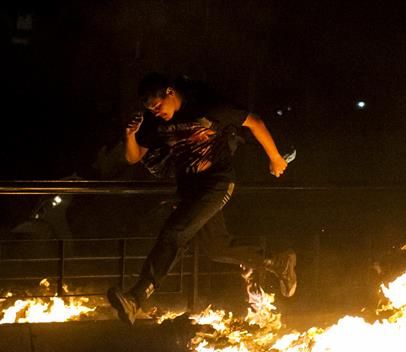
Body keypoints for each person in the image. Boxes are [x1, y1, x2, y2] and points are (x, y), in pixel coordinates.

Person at [107, 72, 296, 325]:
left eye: (158, 105)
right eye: (151, 109)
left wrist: (275, 158)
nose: (156, 112)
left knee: (174, 233)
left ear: (170, 93)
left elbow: (254, 122)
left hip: (216, 182)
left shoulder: (208, 106)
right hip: (189, 188)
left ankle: (137, 297)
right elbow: (133, 157)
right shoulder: (157, 123)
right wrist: (129, 135)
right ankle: (276, 262)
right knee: (216, 248)